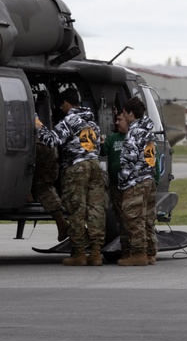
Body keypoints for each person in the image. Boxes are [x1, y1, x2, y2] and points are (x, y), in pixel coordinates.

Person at [35, 88, 107, 266]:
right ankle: (96, 253)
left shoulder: (70, 120)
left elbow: (51, 141)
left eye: (62, 105)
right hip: (95, 166)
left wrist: (39, 125)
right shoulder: (93, 123)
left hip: (77, 167)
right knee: (96, 209)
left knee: (76, 210)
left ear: (66, 103)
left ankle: (79, 253)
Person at [116, 96, 158, 266]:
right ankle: (150, 253)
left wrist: (122, 181)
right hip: (148, 180)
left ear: (131, 114)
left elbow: (128, 159)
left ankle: (139, 254)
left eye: (124, 114)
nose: (123, 117)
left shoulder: (134, 132)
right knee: (147, 219)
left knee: (134, 219)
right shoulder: (148, 132)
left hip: (136, 182)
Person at [103, 111, 131, 258]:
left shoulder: (135, 138)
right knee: (120, 218)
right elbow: (102, 150)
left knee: (132, 217)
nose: (117, 123)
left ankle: (137, 249)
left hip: (131, 185)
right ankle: (125, 249)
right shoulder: (113, 138)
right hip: (116, 185)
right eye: (116, 120)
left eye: (120, 120)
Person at [29, 141, 69, 242]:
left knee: (43, 187)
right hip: (46, 147)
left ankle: (62, 224)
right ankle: (62, 223)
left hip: (40, 147)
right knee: (44, 185)